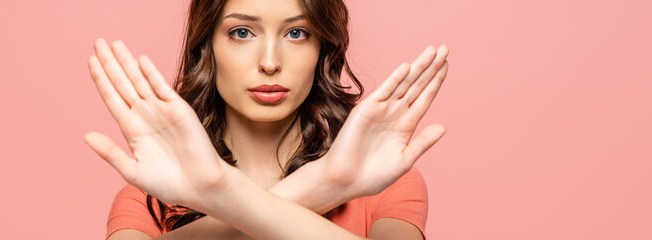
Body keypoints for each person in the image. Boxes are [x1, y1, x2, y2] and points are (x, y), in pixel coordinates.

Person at [84, 0, 449, 239]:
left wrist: (222, 193)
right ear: (206, 46)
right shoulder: (149, 198)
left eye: (297, 33)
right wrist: (322, 186)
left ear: (323, 47)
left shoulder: (382, 182)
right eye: (242, 32)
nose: (270, 62)